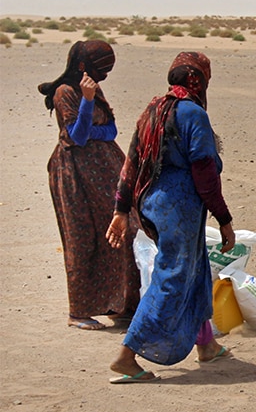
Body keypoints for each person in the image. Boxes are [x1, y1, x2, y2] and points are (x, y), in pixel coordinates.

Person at [105, 52, 234, 383]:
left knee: (196, 268)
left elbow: (131, 162)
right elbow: (205, 172)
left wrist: (122, 210)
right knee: (173, 276)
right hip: (180, 207)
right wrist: (224, 218)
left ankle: (206, 343)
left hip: (153, 202)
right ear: (199, 81)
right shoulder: (192, 114)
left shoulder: (153, 111)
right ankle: (126, 356)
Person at [38, 40, 141, 331]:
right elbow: (77, 137)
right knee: (82, 238)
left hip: (104, 172)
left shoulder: (95, 89)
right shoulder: (66, 93)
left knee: (125, 231)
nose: (104, 76)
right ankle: (79, 311)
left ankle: (119, 304)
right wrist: (86, 100)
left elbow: (111, 130)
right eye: (101, 69)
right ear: (83, 66)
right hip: (74, 176)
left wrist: (93, 120)